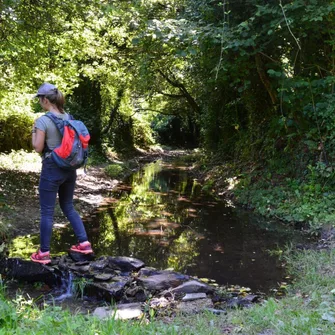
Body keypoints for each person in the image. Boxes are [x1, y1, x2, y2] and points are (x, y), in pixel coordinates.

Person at [31, 82, 93, 264]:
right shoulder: (69, 117)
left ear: (44, 100)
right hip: (69, 169)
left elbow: (37, 147)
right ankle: (84, 243)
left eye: (40, 99)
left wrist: (34, 131)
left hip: (52, 168)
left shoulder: (43, 120)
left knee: (47, 212)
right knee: (68, 206)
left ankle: (43, 253)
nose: (40, 102)